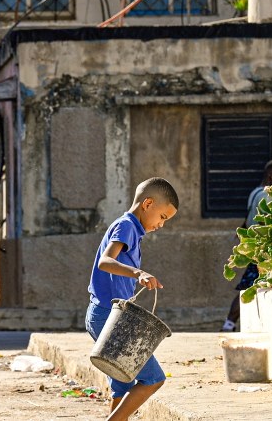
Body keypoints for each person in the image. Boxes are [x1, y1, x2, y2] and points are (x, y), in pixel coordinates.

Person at [87, 177, 179, 421]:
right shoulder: (126, 225)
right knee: (153, 378)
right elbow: (105, 262)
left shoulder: (134, 231)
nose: (161, 224)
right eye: (163, 217)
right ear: (148, 204)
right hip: (108, 316)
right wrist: (138, 273)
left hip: (105, 314)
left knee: (123, 382)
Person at [223, 159, 272, 331]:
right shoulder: (266, 195)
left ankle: (229, 324)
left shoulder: (255, 193)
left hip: (256, 247)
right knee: (249, 287)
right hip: (264, 250)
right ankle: (229, 324)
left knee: (251, 286)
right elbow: (262, 225)